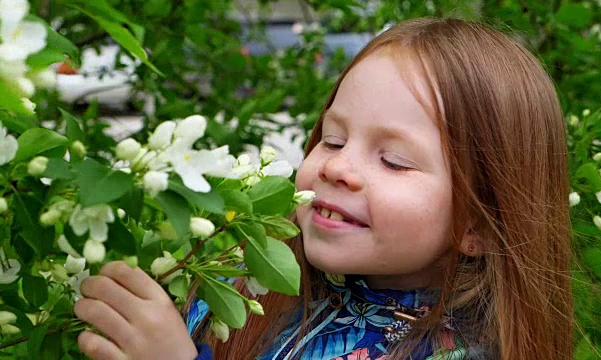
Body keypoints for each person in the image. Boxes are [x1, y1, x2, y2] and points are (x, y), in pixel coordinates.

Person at [73, 17, 573, 360]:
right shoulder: (247, 289)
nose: (339, 167)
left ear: (479, 226)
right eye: (333, 139)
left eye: (394, 162)